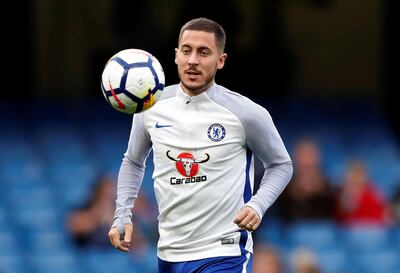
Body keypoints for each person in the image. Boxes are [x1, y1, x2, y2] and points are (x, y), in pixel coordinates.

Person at [108, 17, 293, 273]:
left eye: (203, 52)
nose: (193, 60)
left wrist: (257, 205)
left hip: (223, 251)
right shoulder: (151, 106)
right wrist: (122, 214)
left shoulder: (247, 113)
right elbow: (133, 160)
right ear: (176, 56)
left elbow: (281, 164)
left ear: (221, 60)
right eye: (187, 50)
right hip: (170, 252)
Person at [277, 138, 335, 222]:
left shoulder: (327, 185)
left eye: (311, 155)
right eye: (303, 155)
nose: (307, 160)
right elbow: (280, 211)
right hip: (291, 230)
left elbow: (333, 210)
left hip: (322, 229)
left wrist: (319, 191)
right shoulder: (285, 184)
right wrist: (296, 192)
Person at [334, 159, 391, 225]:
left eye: (359, 175)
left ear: (365, 177)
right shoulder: (338, 194)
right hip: (345, 232)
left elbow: (385, 217)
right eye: (352, 175)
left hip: (372, 231)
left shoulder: (374, 194)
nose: (355, 179)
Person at [67, 175, 116, 248]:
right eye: (105, 192)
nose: (109, 195)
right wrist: (97, 216)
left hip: (111, 254)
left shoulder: (118, 211)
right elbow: (73, 227)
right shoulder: (82, 208)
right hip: (86, 253)